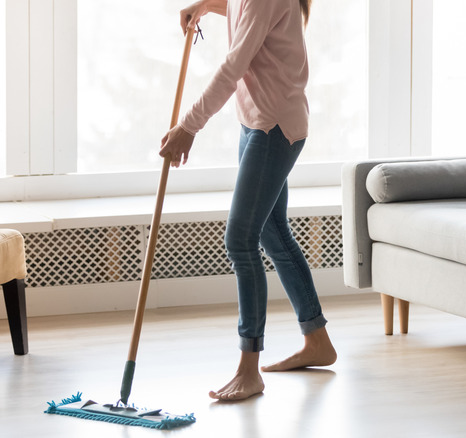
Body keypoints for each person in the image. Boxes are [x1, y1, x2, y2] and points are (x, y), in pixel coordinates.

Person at [159, 0, 337, 402]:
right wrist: (207, 5)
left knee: (240, 240)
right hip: (258, 122)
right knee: (273, 234)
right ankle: (317, 340)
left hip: (274, 126)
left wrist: (188, 127)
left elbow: (233, 66)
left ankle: (248, 368)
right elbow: (244, 10)